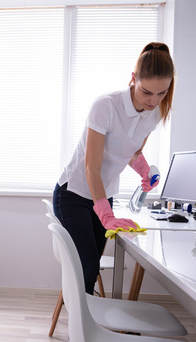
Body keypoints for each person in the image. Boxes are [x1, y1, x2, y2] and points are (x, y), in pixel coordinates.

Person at [53, 42, 175, 295]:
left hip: (102, 193)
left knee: (91, 266)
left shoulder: (155, 113)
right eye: (147, 92)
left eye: (162, 93)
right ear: (133, 79)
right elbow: (91, 168)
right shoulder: (105, 106)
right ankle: (81, 328)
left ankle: (85, 317)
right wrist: (106, 215)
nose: (154, 101)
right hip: (73, 193)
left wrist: (143, 170)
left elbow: (133, 152)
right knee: (85, 267)